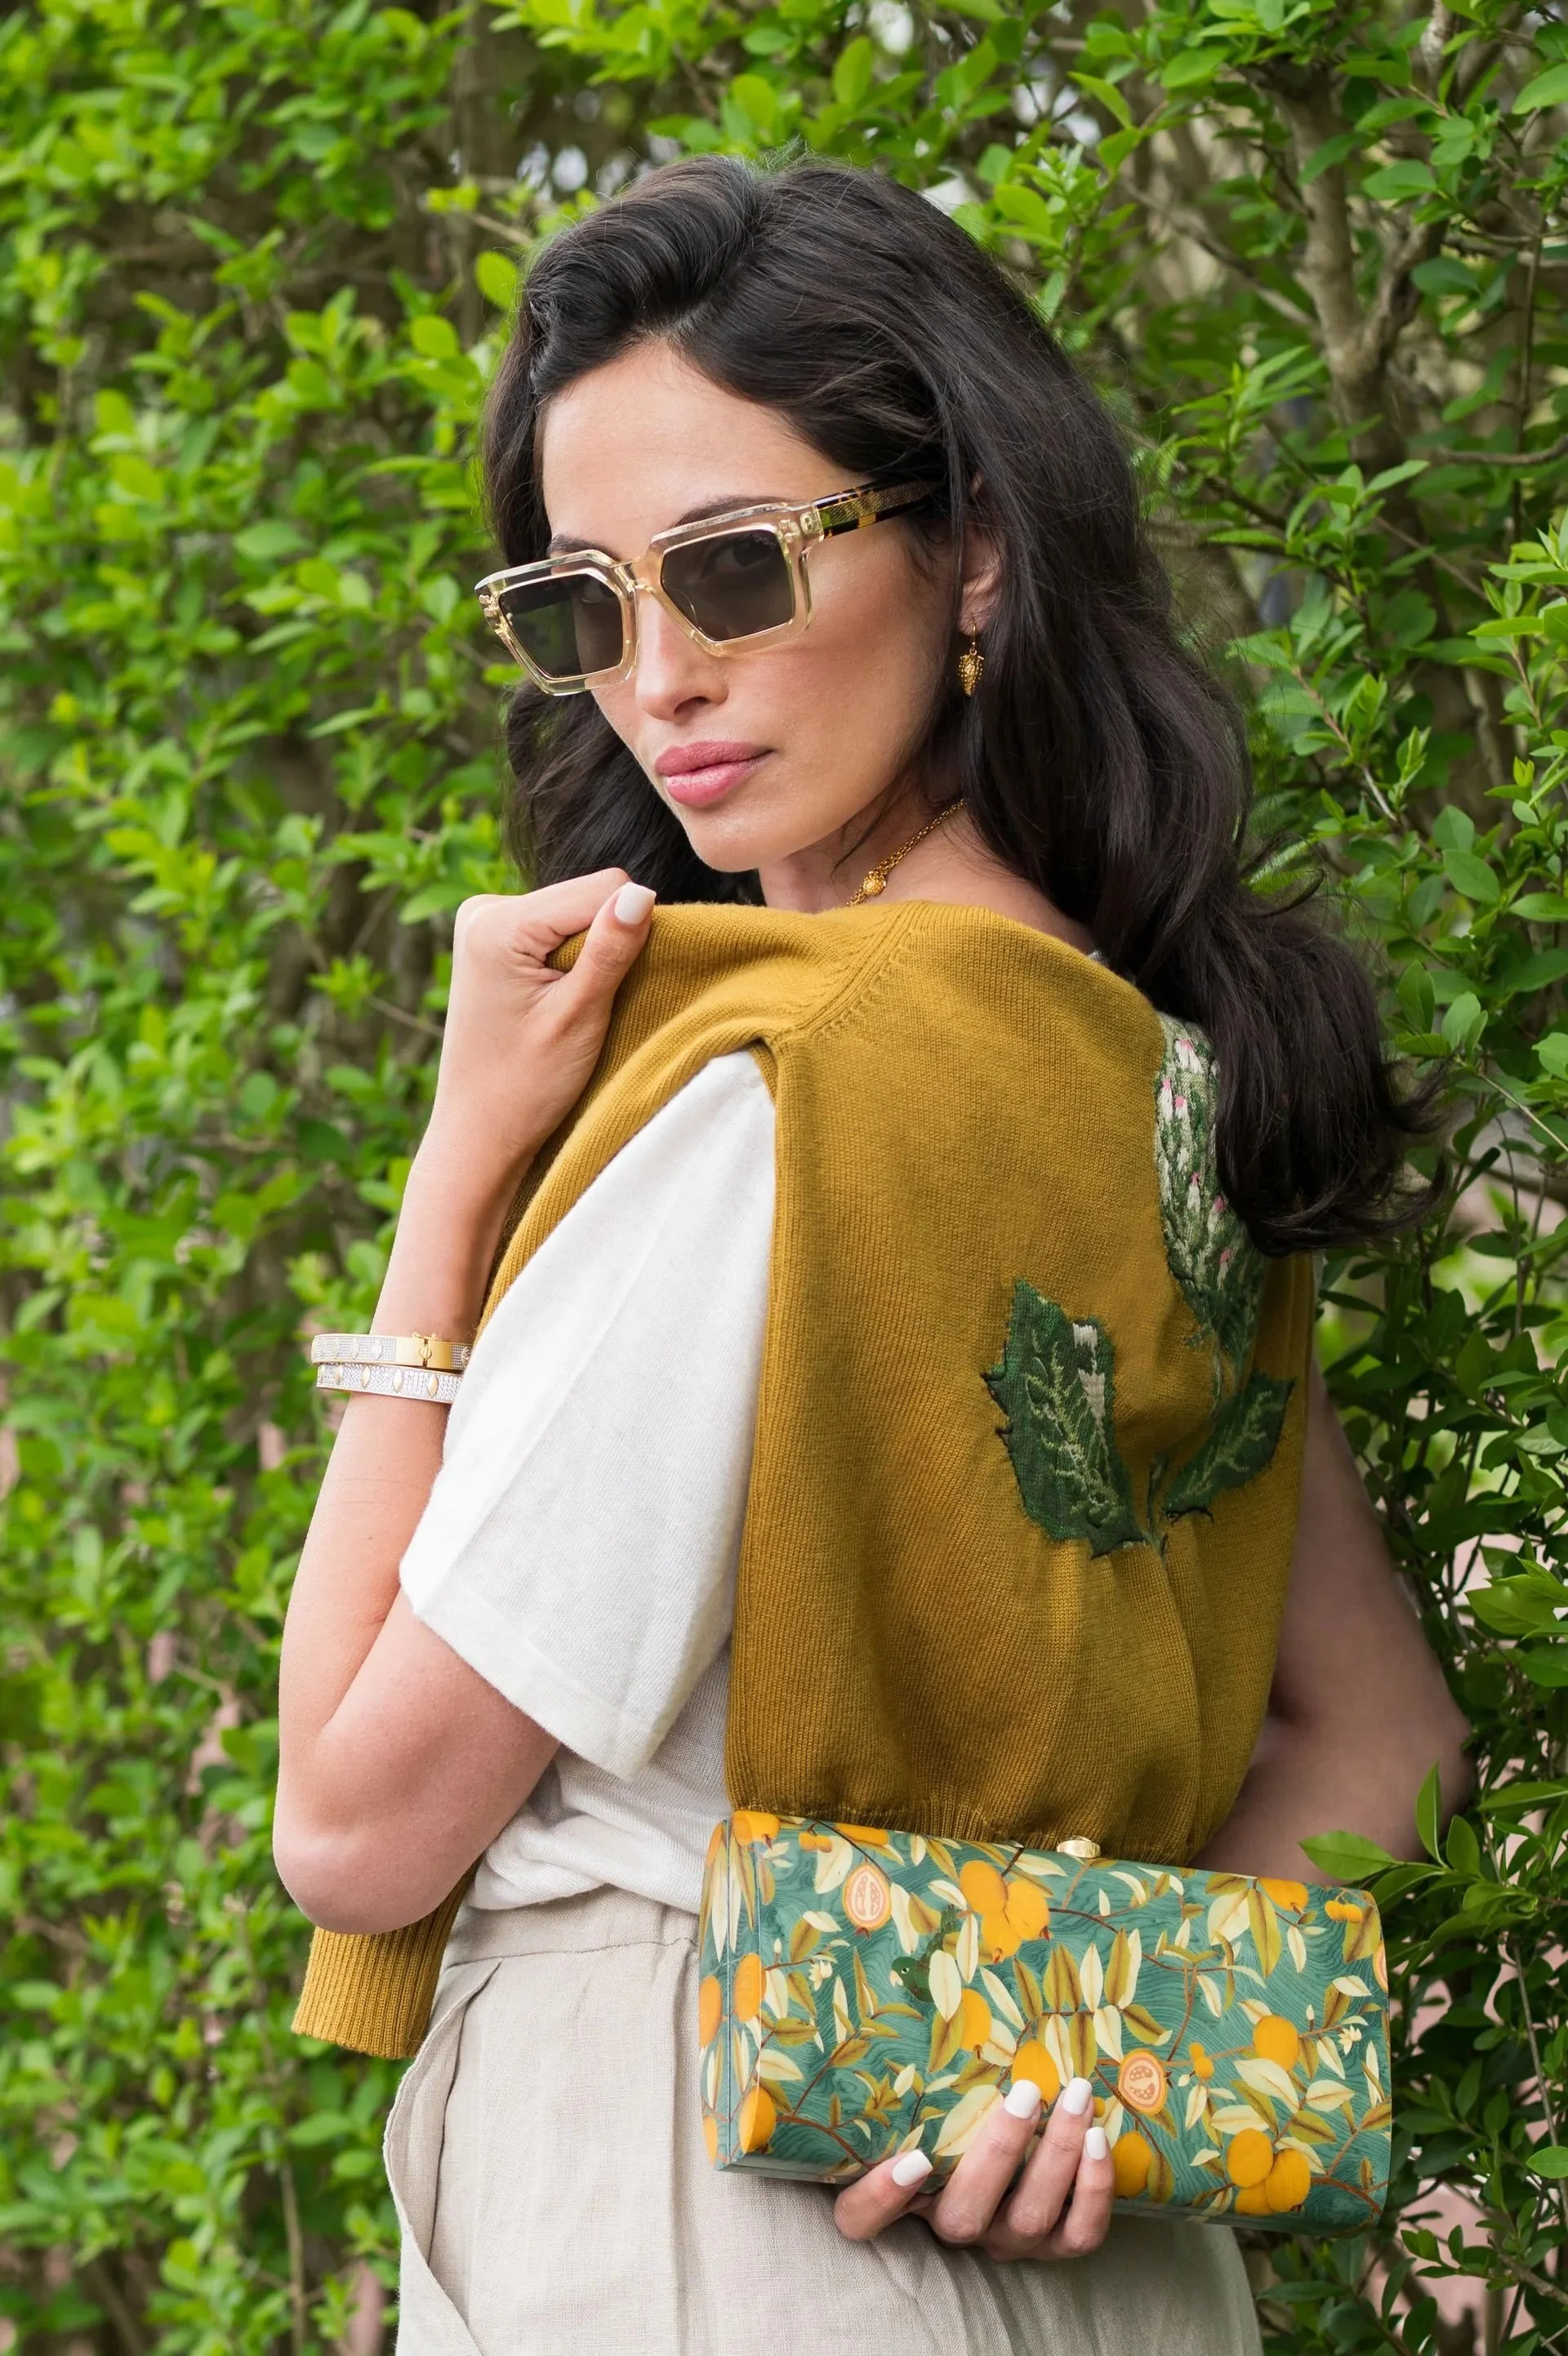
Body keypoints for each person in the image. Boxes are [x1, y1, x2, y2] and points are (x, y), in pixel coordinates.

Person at [273, 157, 1470, 2356]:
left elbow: (354, 1829)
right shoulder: (1165, 1084)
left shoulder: (774, 1090)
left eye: (736, 566)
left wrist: (452, 1187)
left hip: (704, 2196)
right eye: (581, 603)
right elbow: (1382, 1730)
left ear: (974, 547)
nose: (656, 677)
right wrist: (1089, 2045)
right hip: (1086, 2241)